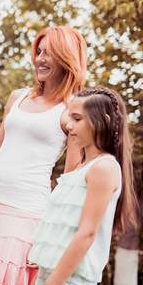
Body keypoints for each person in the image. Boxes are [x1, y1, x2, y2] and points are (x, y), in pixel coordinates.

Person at [0, 26, 88, 285]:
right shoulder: (17, 97)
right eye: (39, 52)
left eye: (49, 54)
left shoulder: (71, 112)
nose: (40, 59)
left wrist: (53, 234)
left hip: (26, 214)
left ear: (66, 58)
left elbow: (70, 180)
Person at [27, 87, 139, 284]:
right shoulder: (81, 168)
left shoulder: (103, 168)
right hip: (53, 274)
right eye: (70, 118)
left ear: (104, 121)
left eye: (77, 119)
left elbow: (86, 234)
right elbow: (65, 222)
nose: (69, 125)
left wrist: (53, 281)